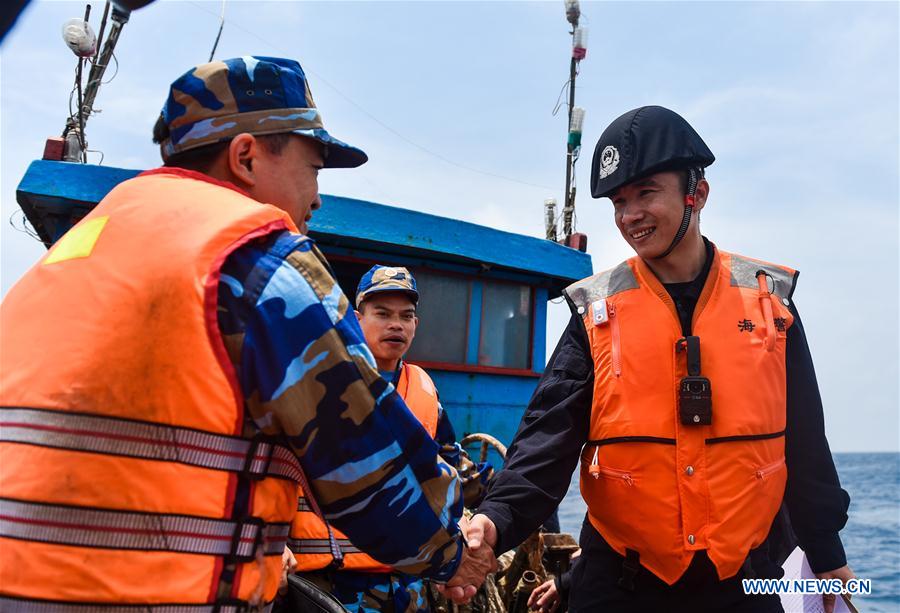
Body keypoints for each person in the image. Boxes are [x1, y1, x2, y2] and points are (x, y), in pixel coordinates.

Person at [0, 56, 491, 609]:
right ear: (246, 156)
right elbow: (363, 464)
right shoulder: (259, 261)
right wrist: (455, 552)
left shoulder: (75, 250)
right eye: (313, 169)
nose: (316, 198)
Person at [466, 105, 853, 612]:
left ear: (698, 194)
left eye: (646, 193)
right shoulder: (595, 313)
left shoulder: (769, 303)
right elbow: (546, 440)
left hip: (744, 582)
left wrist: (826, 554)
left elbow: (804, 439)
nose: (630, 216)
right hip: (621, 584)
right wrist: (494, 519)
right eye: (618, 202)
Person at [288, 264, 461, 612]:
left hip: (408, 587)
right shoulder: (316, 384)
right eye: (382, 314)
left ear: (416, 324)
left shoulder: (426, 394)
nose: (396, 324)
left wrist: (467, 536)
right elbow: (274, 471)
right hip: (329, 585)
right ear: (357, 319)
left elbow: (451, 472)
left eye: (406, 316)